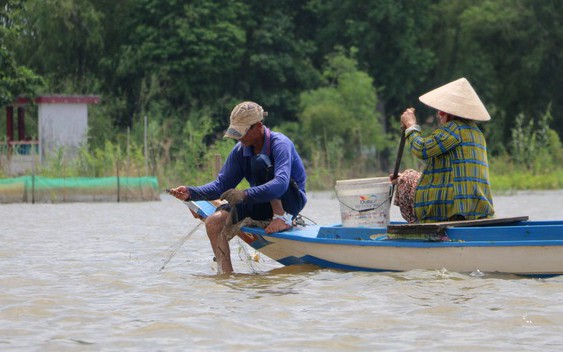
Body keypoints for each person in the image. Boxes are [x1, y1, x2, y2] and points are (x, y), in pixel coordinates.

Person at [169, 101, 307, 273]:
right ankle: (225, 275)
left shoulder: (280, 144)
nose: (239, 138)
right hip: (261, 200)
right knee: (213, 222)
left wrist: (245, 194)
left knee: (261, 163)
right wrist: (191, 193)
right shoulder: (241, 150)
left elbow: (280, 184)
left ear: (257, 126)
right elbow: (221, 185)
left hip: (289, 202)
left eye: (243, 132)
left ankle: (282, 219)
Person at [391, 77, 494, 223]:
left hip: (456, 207)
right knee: (406, 178)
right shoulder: (477, 133)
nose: (439, 114)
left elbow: (422, 149)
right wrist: (400, 179)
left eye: (444, 111)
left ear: (454, 113)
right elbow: (446, 174)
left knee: (408, 177)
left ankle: (421, 227)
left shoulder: (454, 129)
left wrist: (411, 126)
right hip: (477, 207)